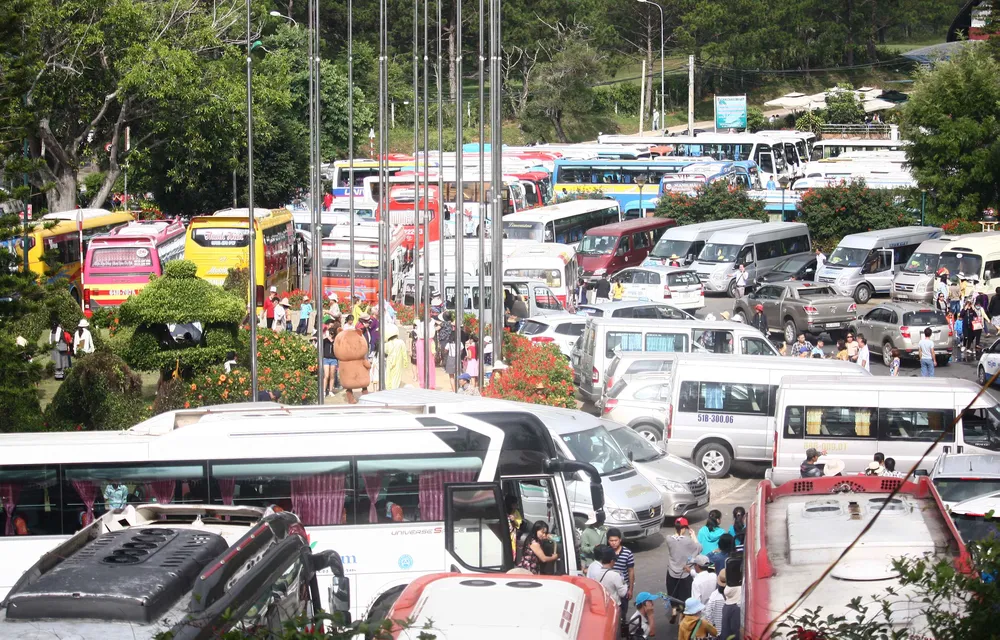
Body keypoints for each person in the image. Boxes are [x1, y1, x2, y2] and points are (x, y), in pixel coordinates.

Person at [664, 517, 701, 623]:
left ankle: (674, 610)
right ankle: (682, 620)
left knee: (672, 592)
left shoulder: (668, 539)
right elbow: (699, 548)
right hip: (684, 573)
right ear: (684, 528)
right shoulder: (688, 541)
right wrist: (693, 536)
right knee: (684, 597)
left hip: (671, 571)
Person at [608, 527, 635, 622]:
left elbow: (631, 571)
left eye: (615, 540)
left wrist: (630, 589)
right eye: (611, 540)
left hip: (623, 588)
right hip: (610, 589)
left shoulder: (627, 553)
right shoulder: (606, 553)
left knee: (623, 613)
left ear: (620, 540)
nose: (613, 543)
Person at [384, 324, 408, 390]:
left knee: (388, 376)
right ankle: (394, 390)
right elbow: (404, 353)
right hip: (398, 362)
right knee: (396, 377)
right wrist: (405, 363)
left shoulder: (386, 344)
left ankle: (388, 389)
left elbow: (385, 352)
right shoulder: (401, 342)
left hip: (389, 361)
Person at [322, 325, 338, 397]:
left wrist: (332, 340)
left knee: (332, 375)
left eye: (332, 333)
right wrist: (327, 337)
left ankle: (331, 390)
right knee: (326, 375)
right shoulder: (325, 341)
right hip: (326, 359)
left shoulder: (336, 341)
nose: (331, 335)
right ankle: (324, 391)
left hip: (333, 359)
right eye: (330, 333)